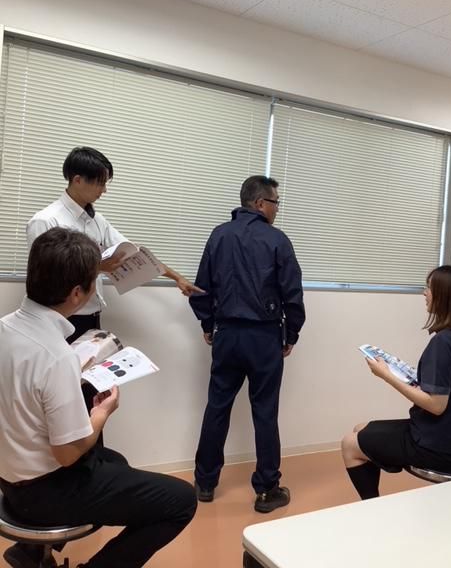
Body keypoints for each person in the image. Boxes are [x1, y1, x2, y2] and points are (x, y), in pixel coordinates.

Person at [0, 227, 197, 568]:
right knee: (181, 501)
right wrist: (104, 412)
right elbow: (66, 455)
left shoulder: (5, 327)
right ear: (78, 293)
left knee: (115, 461)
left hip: (8, 476)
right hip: (42, 492)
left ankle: (29, 552)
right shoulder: (56, 356)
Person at [189, 175, 305, 513]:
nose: (277, 209)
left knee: (217, 406)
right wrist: (291, 334)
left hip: (227, 335)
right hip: (264, 338)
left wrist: (208, 324)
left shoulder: (219, 235)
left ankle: (205, 483)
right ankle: (267, 490)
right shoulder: (277, 240)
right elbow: (293, 294)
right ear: (260, 203)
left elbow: (201, 287)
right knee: (265, 411)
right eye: (275, 203)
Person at [26, 146, 201, 344]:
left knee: (92, 365)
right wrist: (98, 267)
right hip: (58, 319)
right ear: (78, 180)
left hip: (91, 316)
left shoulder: (97, 220)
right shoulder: (45, 221)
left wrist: (177, 278)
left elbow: (135, 253)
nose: (104, 190)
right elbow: (48, 277)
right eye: (100, 183)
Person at [342, 264, 451, 500]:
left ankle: (371, 507)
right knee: (360, 428)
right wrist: (415, 378)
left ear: (446, 295)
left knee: (349, 444)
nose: (424, 293)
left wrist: (386, 375)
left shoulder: (444, 342)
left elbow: (436, 405)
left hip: (435, 446)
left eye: (429, 288)